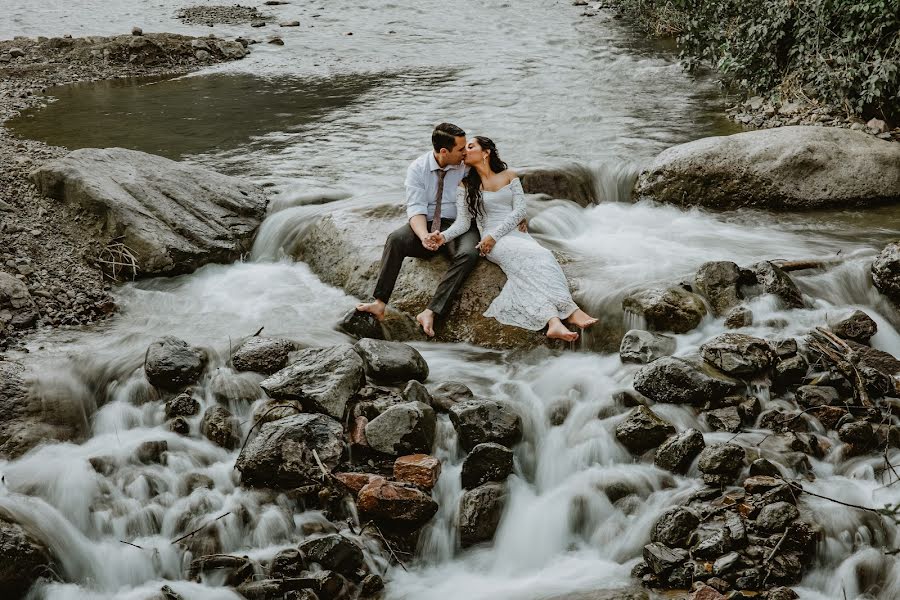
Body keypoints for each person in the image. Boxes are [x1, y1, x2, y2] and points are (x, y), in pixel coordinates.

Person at [429, 136, 597, 342]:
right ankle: (570, 312)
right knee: (536, 257)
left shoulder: (509, 175)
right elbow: (463, 223)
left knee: (538, 259)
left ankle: (554, 322)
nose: (465, 151)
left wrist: (494, 235)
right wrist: (442, 237)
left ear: (486, 152)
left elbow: (520, 211)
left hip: (513, 234)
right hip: (495, 243)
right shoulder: (466, 185)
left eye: (471, 147)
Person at [356, 123, 481, 337]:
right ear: (444, 152)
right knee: (396, 239)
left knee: (470, 253)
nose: (465, 152)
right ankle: (379, 302)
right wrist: (424, 236)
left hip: (459, 222)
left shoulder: (467, 165)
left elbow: (499, 178)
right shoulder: (418, 168)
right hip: (427, 223)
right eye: (460, 149)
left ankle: (431, 312)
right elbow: (415, 209)